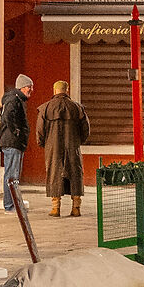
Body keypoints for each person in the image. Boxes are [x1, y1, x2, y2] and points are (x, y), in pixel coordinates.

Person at [35, 79, 90, 217]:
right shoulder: (77, 108)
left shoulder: (45, 108)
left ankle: (56, 208)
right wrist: (78, 141)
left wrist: (43, 143)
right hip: (73, 145)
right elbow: (86, 129)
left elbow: (40, 130)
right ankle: (76, 207)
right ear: (67, 90)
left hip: (52, 146)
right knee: (75, 172)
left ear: (54, 91)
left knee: (54, 172)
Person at [0, 73, 33, 211]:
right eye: (29, 87)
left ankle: (14, 204)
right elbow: (7, 117)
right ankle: (10, 205)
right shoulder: (14, 99)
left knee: (14, 175)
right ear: (22, 88)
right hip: (12, 143)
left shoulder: (16, 99)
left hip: (14, 143)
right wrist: (16, 132)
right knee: (12, 176)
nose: (31, 90)